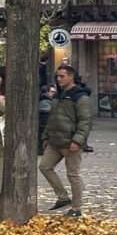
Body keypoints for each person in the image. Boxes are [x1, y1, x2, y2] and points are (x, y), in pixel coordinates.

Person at [39, 64, 92, 216]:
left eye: (62, 76)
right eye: (58, 76)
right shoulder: (58, 95)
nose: (59, 79)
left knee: (73, 175)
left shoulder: (80, 96)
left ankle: (76, 208)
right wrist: (46, 136)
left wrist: (77, 141)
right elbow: (52, 117)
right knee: (44, 167)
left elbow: (85, 121)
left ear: (71, 76)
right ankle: (62, 197)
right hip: (55, 141)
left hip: (71, 142)